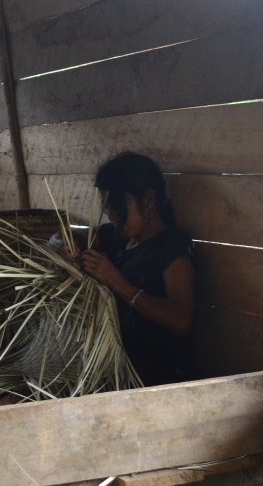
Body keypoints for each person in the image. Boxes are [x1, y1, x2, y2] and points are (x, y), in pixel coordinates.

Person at [79, 152, 195, 385]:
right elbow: (78, 239)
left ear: (148, 200)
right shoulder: (116, 236)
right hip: (106, 368)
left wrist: (117, 282)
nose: (111, 213)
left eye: (118, 204)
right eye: (107, 204)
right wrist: (66, 249)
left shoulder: (171, 249)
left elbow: (182, 321)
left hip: (148, 377)